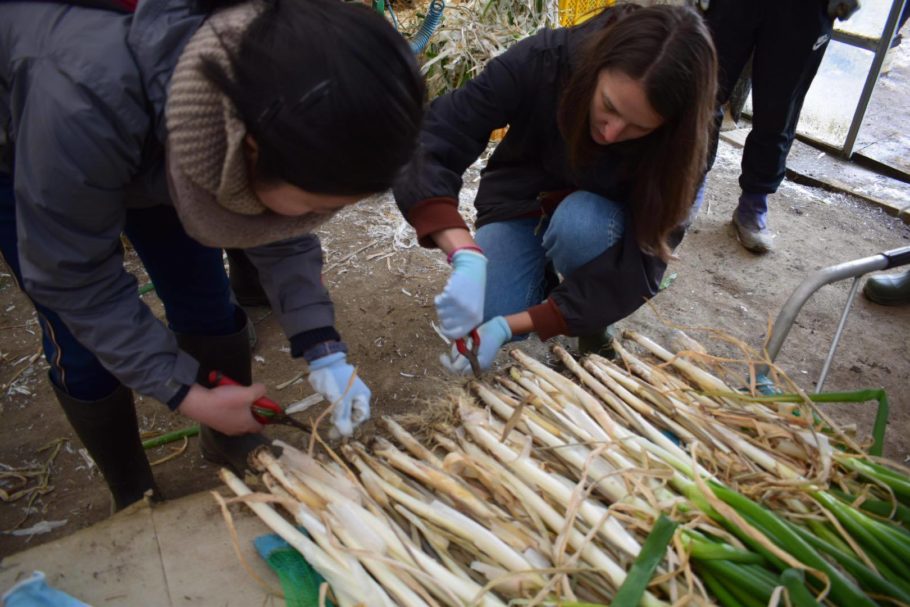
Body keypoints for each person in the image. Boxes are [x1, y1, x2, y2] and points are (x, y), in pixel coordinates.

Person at [0, 0, 424, 510]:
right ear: (246, 153)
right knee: (81, 341)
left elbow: (282, 222)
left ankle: (226, 437)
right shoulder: (82, 97)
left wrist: (320, 344)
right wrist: (188, 395)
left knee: (203, 292)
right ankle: (131, 489)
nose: (314, 218)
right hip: (29, 145)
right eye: (315, 205)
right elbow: (74, 279)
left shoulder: (275, 93)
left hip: (153, 128)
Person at [393, 4, 717, 372]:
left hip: (599, 224)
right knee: (487, 308)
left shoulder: (689, 139)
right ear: (595, 68)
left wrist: (514, 324)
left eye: (637, 128)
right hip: (522, 200)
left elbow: (641, 264)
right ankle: (552, 291)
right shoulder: (545, 59)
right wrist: (463, 252)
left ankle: (591, 323)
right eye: (608, 106)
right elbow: (432, 140)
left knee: (579, 225)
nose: (611, 133)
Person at [703, 0, 860, 254]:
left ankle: (754, 204)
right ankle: (685, 190)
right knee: (703, 94)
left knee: (779, 109)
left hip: (803, 9)